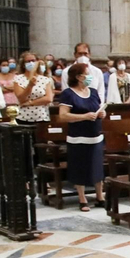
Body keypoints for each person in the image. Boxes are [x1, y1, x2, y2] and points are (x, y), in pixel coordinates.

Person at [53, 62, 104, 211]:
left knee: (97, 168)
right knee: (80, 167)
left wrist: (101, 113)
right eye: (86, 74)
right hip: (78, 137)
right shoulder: (68, 94)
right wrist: (84, 116)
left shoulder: (93, 92)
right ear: (78, 77)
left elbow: (97, 108)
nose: (89, 77)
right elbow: (63, 116)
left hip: (95, 136)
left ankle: (100, 196)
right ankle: (82, 199)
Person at [11, 51, 53, 122]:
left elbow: (48, 98)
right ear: (23, 64)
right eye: (28, 61)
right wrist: (30, 86)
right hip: (23, 117)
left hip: (42, 117)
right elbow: (21, 99)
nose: (31, 63)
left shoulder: (45, 79)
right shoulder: (18, 79)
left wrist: (30, 103)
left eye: (33, 61)